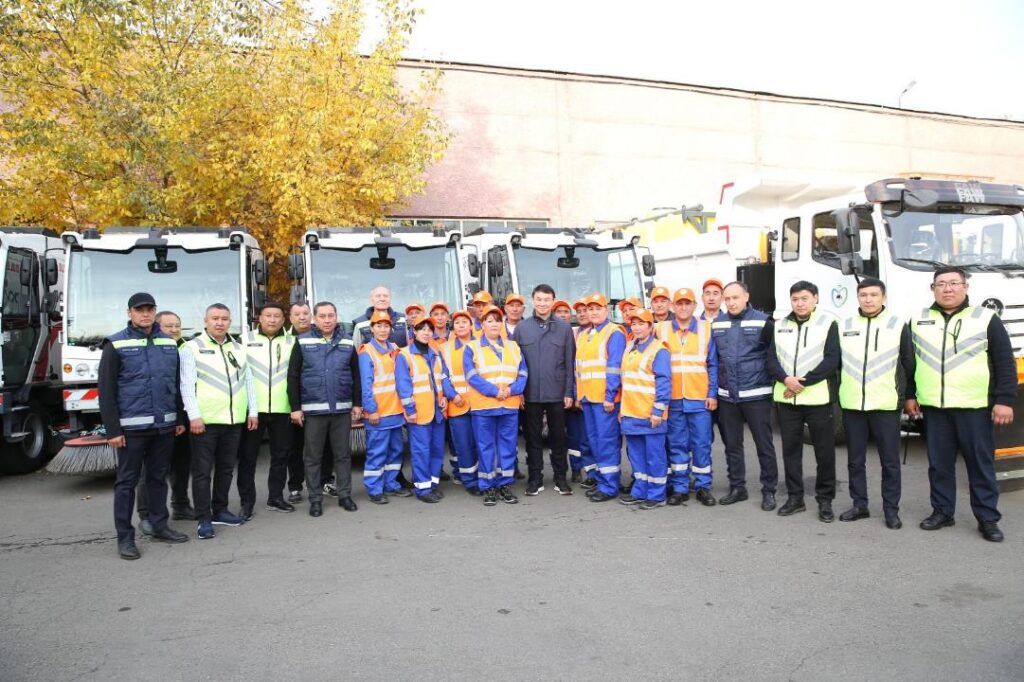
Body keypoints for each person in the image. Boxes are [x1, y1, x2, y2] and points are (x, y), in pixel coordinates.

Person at [906, 266, 1016, 542]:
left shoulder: (985, 318)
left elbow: (1005, 361)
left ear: (966, 287)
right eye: (941, 284)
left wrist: (1004, 400)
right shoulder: (918, 320)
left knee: (980, 465)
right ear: (933, 289)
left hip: (974, 408)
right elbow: (908, 364)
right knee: (939, 465)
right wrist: (909, 395)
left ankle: (987, 518)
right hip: (935, 408)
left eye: (954, 283)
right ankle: (943, 511)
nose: (948, 289)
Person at [100, 293, 189, 559]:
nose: (145, 314)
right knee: (126, 483)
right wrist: (113, 430)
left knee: (158, 478)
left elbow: (174, 384)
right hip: (131, 429)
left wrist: (179, 418)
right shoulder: (116, 344)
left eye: (150, 309)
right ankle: (125, 538)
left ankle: (160, 526)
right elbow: (106, 390)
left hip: (164, 426)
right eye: (140, 310)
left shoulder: (168, 342)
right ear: (130, 313)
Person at [837, 278, 915, 529]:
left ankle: (891, 510)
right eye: (863, 295)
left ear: (884, 297)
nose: (868, 299)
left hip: (885, 404)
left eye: (873, 295)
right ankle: (859, 505)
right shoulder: (844, 325)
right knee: (855, 461)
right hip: (853, 404)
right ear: (858, 297)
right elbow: (835, 363)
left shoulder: (897, 325)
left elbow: (909, 364)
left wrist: (908, 396)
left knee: (889, 462)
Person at [180, 303, 259, 540]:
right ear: (205, 321)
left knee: (225, 469)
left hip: (233, 420)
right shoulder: (192, 347)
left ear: (230, 322)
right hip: (205, 421)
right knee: (203, 472)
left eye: (224, 319)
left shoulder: (238, 347)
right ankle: (203, 518)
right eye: (215, 318)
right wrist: (194, 415)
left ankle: (220, 510)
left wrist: (253, 411)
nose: (219, 322)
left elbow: (248, 381)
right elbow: (186, 384)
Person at [768, 281, 840, 522]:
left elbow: (832, 360)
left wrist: (801, 383)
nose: (800, 303)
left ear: (815, 299)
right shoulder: (780, 325)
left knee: (824, 453)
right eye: (795, 299)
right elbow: (771, 359)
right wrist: (786, 380)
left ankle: (825, 500)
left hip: (818, 400)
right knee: (790, 452)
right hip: (787, 402)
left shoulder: (828, 323)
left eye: (804, 298)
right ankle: (795, 498)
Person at [288, 301, 362, 518]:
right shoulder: (302, 341)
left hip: (341, 409)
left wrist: (357, 403)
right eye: (322, 316)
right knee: (313, 457)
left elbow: (355, 375)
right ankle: (315, 499)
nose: (327, 320)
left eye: (331, 316)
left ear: (336, 317)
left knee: (343, 455)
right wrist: (295, 408)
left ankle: (345, 495)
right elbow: (293, 376)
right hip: (314, 410)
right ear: (315, 318)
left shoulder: (347, 341)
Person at [712, 282, 779, 510]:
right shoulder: (718, 323)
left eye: (736, 297)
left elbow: (773, 356)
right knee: (732, 445)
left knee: (764, 446)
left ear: (746, 297)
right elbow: (716, 359)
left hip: (756, 394)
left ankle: (769, 491)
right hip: (727, 396)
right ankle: (737, 488)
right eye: (727, 298)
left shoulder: (763, 322)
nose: (731, 302)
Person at [656, 288, 718, 506]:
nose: (683, 307)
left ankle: (703, 487)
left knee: (701, 444)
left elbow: (712, 364)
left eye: (687, 303)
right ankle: (680, 487)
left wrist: (712, 393)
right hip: (673, 399)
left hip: (699, 398)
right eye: (679, 304)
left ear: (694, 306)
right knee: (676, 444)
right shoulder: (660, 329)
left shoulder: (706, 329)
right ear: (673, 306)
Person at [512, 284, 576, 496]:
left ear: (553, 301)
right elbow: (514, 363)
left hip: (557, 391)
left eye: (546, 300)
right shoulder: (522, 328)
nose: (542, 303)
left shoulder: (564, 328)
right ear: (533, 300)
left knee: (559, 438)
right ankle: (535, 479)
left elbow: (570, 363)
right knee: (533, 439)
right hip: (530, 392)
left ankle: (560, 478)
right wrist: (518, 391)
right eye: (539, 299)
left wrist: (569, 392)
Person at [134, 310, 193, 533]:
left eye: (177, 325)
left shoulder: (187, 349)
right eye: (169, 326)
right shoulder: (152, 350)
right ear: (158, 328)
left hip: (184, 417)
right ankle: (146, 514)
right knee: (151, 470)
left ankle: (181, 505)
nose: (174, 330)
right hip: (159, 419)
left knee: (182, 464)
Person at [237, 302, 296, 518]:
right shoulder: (244, 340)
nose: (272, 319)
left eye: (276, 316)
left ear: (284, 319)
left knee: (281, 457)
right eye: (268, 315)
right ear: (259, 318)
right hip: (253, 410)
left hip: (283, 409)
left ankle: (276, 497)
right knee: (248, 458)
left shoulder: (292, 341)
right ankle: (247, 502)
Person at [465, 306, 527, 506]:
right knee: (485, 447)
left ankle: (505, 485)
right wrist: (495, 391)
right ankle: (488, 486)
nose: (494, 324)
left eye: (497, 320)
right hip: (484, 407)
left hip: (508, 405)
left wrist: (511, 390)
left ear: (502, 324)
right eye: (489, 320)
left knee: (507, 446)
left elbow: (523, 374)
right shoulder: (472, 347)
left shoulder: (513, 347)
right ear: (482, 325)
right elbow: (471, 376)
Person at [576, 293, 627, 502]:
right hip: (588, 398)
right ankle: (602, 480)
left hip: (605, 400)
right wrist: (578, 394)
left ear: (606, 310)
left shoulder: (614, 332)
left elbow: (614, 367)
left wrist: (610, 396)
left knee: (607, 442)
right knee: (595, 441)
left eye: (598, 308)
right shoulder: (585, 334)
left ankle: (609, 486)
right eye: (590, 309)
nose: (594, 312)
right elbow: (579, 368)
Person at [619, 309, 672, 509]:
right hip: (631, 413)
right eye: (633, 324)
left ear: (651, 327)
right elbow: (626, 382)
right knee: (637, 457)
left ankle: (657, 495)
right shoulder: (630, 348)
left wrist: (658, 411)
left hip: (650, 415)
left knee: (655, 457)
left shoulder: (659, 349)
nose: (637, 327)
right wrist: (622, 410)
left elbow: (664, 382)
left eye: (641, 323)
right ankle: (640, 491)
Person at [396, 318, 453, 502]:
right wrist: (410, 409)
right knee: (421, 451)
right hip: (419, 412)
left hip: (437, 411)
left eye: (429, 329)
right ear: (414, 331)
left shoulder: (436, 353)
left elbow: (443, 378)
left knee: (437, 450)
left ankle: (432, 484)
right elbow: (403, 385)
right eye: (422, 329)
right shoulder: (404, 355)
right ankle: (423, 489)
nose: (426, 333)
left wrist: (444, 397)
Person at [358, 310, 410, 504]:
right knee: (377, 453)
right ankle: (374, 488)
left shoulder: (394, 348)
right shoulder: (366, 352)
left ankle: (391, 484)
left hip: (396, 411)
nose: (382, 330)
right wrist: (371, 410)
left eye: (386, 326)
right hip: (378, 413)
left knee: (396, 451)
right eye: (378, 326)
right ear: (371, 329)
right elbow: (366, 384)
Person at [443, 310, 481, 495]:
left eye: (464, 321)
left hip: (481, 404)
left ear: (471, 325)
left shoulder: (482, 344)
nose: (461, 325)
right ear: (453, 327)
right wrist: (452, 395)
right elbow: (442, 376)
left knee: (481, 444)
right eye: (457, 322)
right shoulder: (445, 349)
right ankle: (470, 481)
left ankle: (484, 477)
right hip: (458, 405)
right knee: (464, 446)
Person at [286, 301, 312, 503]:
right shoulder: (283, 340)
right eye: (297, 314)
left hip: (316, 400)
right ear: (290, 317)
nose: (302, 317)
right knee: (294, 447)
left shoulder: (319, 336)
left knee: (322, 446)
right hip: (292, 402)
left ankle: (325, 481)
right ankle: (295, 486)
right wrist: (294, 406)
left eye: (305, 313)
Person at [567, 299, 592, 483]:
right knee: (574, 436)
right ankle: (576, 469)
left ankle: (592, 472)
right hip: (574, 393)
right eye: (579, 311)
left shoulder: (600, 334)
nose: (582, 314)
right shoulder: (573, 333)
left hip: (591, 395)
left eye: (586, 310)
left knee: (589, 436)